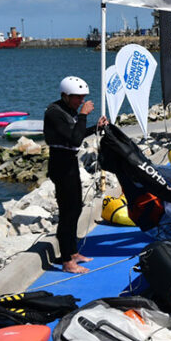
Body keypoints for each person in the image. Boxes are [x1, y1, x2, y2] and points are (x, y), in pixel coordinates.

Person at [43, 76, 108, 274]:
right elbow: (75, 139)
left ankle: (72, 253)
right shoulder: (54, 113)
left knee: (76, 209)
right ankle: (66, 262)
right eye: (77, 98)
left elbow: (76, 133)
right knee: (67, 214)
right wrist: (83, 115)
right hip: (60, 165)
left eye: (83, 98)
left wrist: (95, 127)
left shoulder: (68, 110)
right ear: (65, 95)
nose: (81, 101)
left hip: (70, 163)